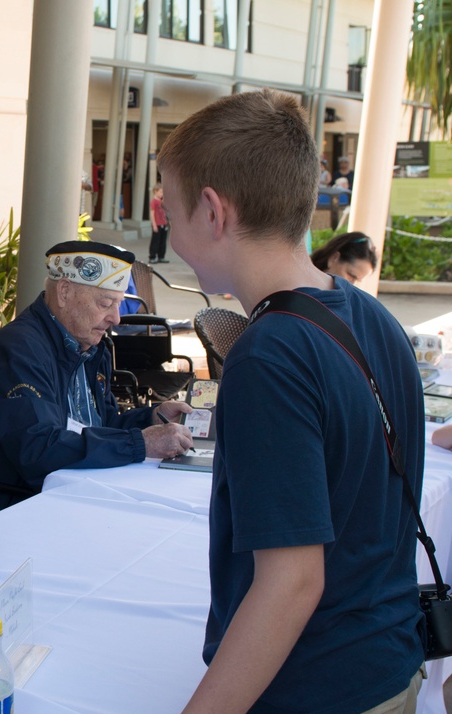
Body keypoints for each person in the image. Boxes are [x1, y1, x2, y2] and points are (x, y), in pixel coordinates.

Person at [157, 89, 425, 712]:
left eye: (169, 211)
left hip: (319, 687)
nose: (168, 236)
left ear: (213, 212)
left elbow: (292, 581)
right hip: (386, 661)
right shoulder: (371, 316)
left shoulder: (269, 355)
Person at [0, 241, 193, 515]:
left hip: (73, 492)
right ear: (64, 292)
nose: (116, 318)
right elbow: (39, 450)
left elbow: (103, 424)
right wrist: (141, 443)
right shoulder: (17, 350)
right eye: (105, 303)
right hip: (9, 508)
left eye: (119, 305)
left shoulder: (90, 344)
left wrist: (152, 418)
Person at [310, 231, 378, 285]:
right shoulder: (302, 283)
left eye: (357, 280)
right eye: (350, 275)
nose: (351, 284)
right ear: (334, 257)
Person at [148, 183, 169, 264]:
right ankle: (152, 256)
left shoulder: (162, 201)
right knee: (155, 241)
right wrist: (154, 225)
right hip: (157, 224)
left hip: (163, 223)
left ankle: (161, 256)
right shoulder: (154, 202)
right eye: (161, 192)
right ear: (155, 191)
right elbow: (152, 213)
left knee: (163, 241)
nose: (162, 194)